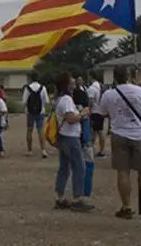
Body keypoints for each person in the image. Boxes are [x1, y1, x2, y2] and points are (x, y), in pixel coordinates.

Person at [100, 65, 141, 219]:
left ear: (114, 76)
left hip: (119, 133)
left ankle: (126, 207)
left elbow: (103, 112)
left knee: (123, 171)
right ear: (130, 75)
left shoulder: (109, 94)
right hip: (140, 133)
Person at [52, 71, 94, 212]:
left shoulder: (59, 99)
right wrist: (82, 114)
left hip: (63, 136)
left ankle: (60, 197)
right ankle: (77, 199)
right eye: (72, 81)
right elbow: (70, 118)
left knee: (64, 167)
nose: (74, 82)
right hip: (70, 137)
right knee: (79, 167)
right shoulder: (67, 100)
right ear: (67, 84)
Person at [22, 71, 49, 158]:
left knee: (29, 130)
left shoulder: (27, 88)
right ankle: (43, 150)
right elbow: (47, 101)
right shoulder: (43, 88)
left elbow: (24, 101)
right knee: (40, 131)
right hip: (40, 112)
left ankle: (30, 150)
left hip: (30, 112)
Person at [87, 70, 106, 158]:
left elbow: (90, 100)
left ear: (91, 76)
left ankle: (96, 150)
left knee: (96, 131)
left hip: (95, 111)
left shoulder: (92, 88)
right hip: (100, 110)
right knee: (98, 131)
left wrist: (88, 109)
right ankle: (99, 149)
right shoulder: (100, 86)